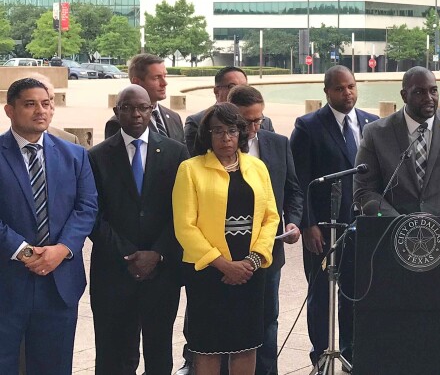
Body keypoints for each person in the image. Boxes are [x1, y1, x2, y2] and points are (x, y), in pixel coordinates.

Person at [88, 85, 190, 375]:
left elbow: (183, 212)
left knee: (158, 352)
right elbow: (93, 215)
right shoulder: (97, 156)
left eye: (143, 108)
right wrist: (129, 254)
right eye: (128, 108)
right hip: (113, 271)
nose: (135, 114)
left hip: (162, 271)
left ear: (151, 110)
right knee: (113, 354)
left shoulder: (175, 152)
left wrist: (157, 253)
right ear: (116, 111)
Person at [0, 77, 98, 374]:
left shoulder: (74, 154)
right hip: (8, 281)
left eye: (46, 104)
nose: (40, 111)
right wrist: (23, 251)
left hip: (59, 282)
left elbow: (87, 207)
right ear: (10, 110)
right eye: (30, 104)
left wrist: (63, 249)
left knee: (54, 367)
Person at [172, 103, 279, 375]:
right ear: (207, 135)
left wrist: (253, 261)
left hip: (251, 271)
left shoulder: (257, 168)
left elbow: (271, 217)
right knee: (209, 347)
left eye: (232, 130)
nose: (225, 137)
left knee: (246, 344)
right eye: (217, 131)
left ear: (241, 133)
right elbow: (185, 227)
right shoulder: (190, 169)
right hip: (209, 273)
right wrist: (224, 265)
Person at [290, 65, 378, 368]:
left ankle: (351, 352)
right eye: (340, 88)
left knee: (355, 294)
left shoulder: (372, 123)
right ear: (326, 91)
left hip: (361, 227)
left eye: (351, 86)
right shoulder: (307, 126)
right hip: (323, 228)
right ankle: (321, 357)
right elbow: (300, 181)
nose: (347, 93)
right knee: (321, 295)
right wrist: (308, 224)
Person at [227, 85, 303, 375]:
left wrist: (294, 220)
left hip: (270, 250)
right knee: (229, 321)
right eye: (247, 122)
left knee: (268, 319)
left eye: (259, 120)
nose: (254, 127)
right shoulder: (217, 148)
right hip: (229, 253)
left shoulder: (278, 143)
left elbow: (293, 190)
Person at [354, 66, 440, 217]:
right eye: (419, 92)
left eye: (433, 91)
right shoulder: (375, 133)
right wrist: (402, 226)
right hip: (392, 233)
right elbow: (364, 189)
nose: (429, 98)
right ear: (404, 95)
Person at [184, 66, 274, 155]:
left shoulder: (265, 123)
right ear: (216, 91)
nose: (240, 90)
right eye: (232, 86)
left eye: (244, 86)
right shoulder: (197, 122)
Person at [105, 53, 184, 143]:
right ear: (136, 82)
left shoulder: (174, 117)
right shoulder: (120, 122)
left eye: (164, 76)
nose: (164, 83)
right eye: (156, 77)